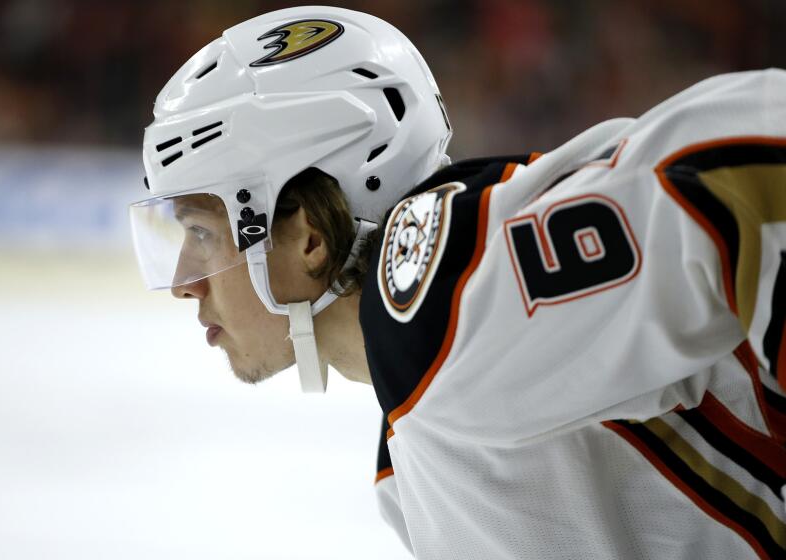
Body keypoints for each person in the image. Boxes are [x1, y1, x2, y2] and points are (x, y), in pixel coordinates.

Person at [129, 6, 786, 559]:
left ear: (306, 236)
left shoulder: (439, 299)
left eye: (204, 232)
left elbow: (751, 161)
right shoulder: (408, 441)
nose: (187, 281)